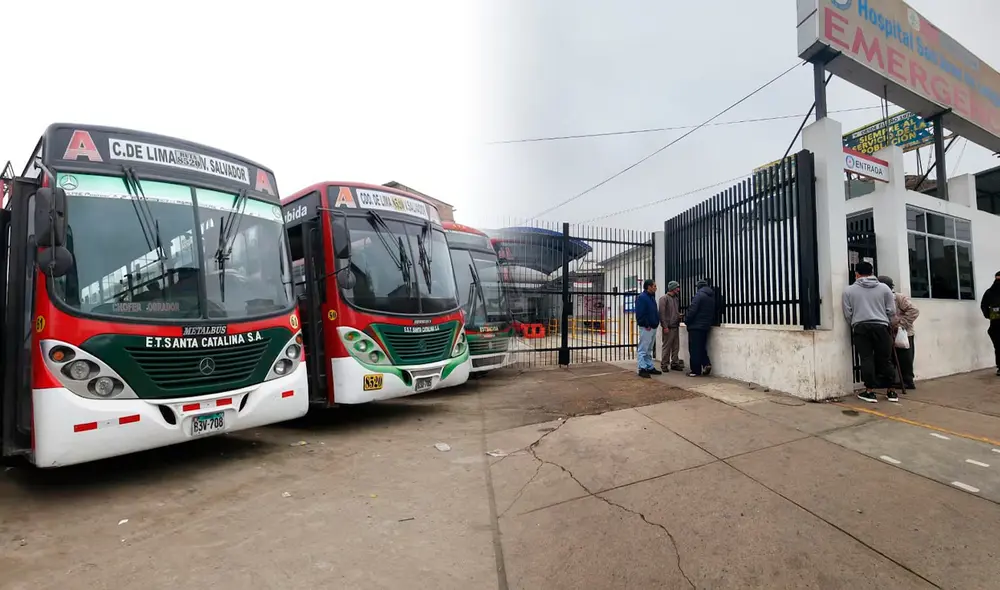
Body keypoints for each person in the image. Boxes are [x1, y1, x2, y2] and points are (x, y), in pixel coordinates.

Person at [844, 261, 898, 403]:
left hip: (861, 327)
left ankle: (870, 391)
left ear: (856, 274)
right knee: (885, 359)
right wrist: (889, 323)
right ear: (872, 272)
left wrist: (855, 322)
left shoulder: (849, 290)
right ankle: (891, 391)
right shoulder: (884, 288)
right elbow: (891, 311)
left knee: (867, 358)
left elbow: (847, 313)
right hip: (881, 326)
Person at [878, 275, 919, 390]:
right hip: (889, 332)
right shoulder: (881, 298)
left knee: (905, 358)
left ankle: (907, 381)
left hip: (903, 333)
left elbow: (914, 311)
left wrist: (901, 324)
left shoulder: (899, 298)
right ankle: (891, 381)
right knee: (889, 357)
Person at [685, 279, 716, 377]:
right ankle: (706, 363)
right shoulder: (711, 297)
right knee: (701, 347)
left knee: (694, 349)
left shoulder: (699, 296)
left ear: (699, 287)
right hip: (705, 326)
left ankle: (695, 370)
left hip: (695, 326)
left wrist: (687, 320)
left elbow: (692, 310)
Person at [634, 279, 661, 378]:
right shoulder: (642, 298)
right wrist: (646, 324)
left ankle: (649, 367)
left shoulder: (651, 297)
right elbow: (640, 313)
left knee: (649, 348)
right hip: (647, 327)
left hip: (652, 326)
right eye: (654, 286)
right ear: (648, 287)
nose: (655, 288)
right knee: (643, 349)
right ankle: (642, 368)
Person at [658, 281, 683, 372]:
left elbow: (674, 312)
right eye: (677, 288)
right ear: (672, 288)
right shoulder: (664, 299)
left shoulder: (676, 299)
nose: (678, 289)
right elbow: (662, 314)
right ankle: (664, 364)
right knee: (667, 346)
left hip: (675, 325)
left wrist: (678, 315)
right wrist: (665, 326)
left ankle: (674, 363)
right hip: (668, 327)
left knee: (676, 346)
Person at [980, 270, 1000, 376]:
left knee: (998, 346)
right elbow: (983, 305)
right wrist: (989, 315)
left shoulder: (989, 292)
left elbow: (983, 305)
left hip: (995, 324)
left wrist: (989, 315)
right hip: (995, 325)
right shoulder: (989, 292)